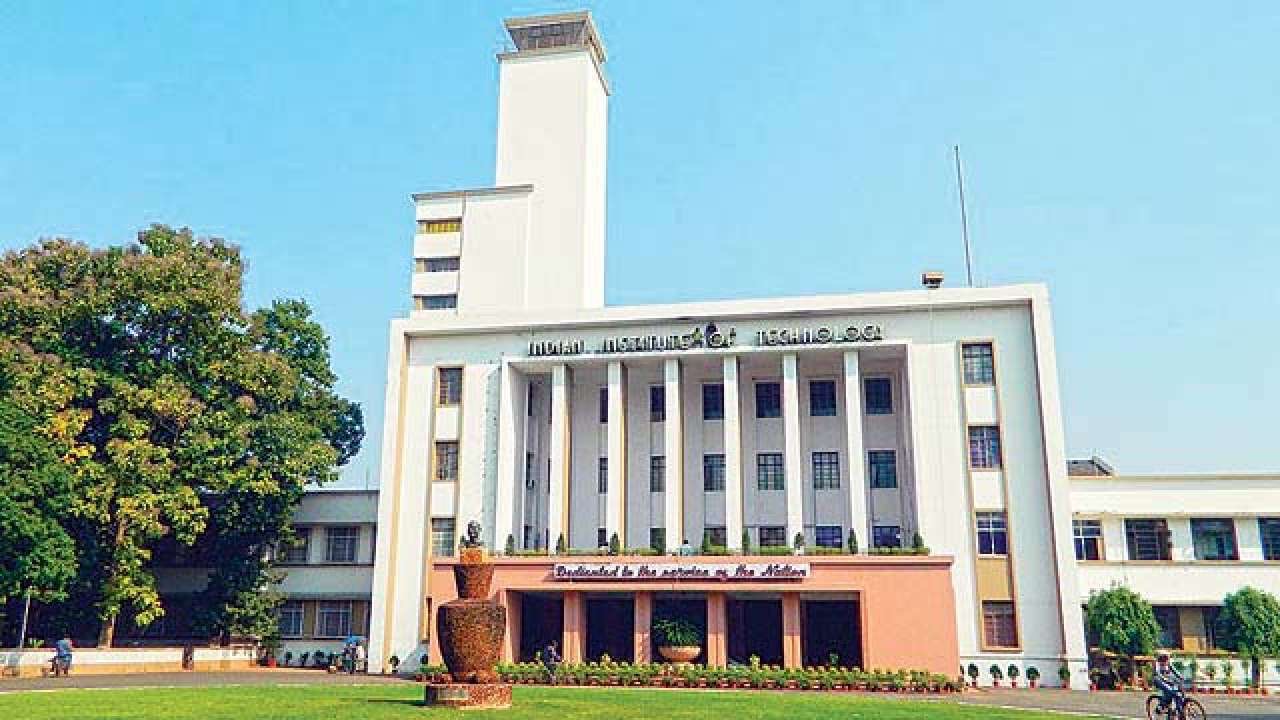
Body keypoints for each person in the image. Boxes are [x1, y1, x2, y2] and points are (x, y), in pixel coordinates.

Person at [1152, 651, 1185, 716]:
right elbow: (1158, 674)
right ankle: (1161, 705)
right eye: (1166, 657)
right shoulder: (1157, 664)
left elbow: (1174, 671)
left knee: (1177, 692)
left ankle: (1178, 710)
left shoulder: (1168, 663)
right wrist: (1165, 680)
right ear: (1162, 657)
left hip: (1168, 680)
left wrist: (1180, 676)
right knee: (1170, 691)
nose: (1167, 659)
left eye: (1168, 657)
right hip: (1158, 680)